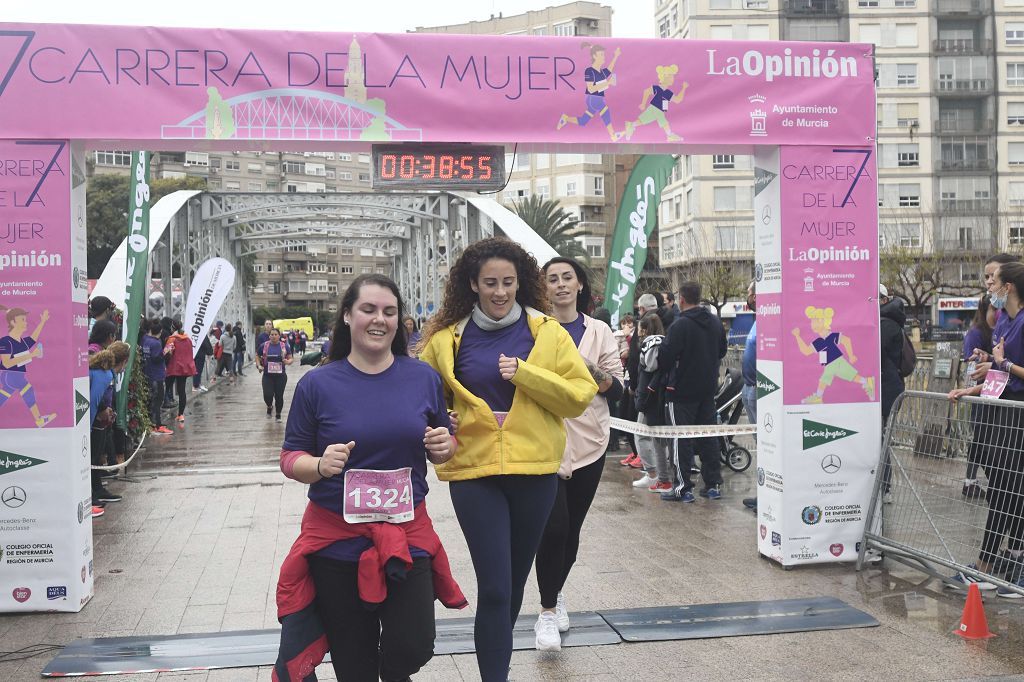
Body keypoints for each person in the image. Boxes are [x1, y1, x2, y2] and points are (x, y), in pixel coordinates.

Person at [418, 237, 597, 681]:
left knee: (513, 587)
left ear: (521, 284)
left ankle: (498, 660)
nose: (500, 292)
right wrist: (442, 422)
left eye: (508, 283)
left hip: (535, 473)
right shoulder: (445, 341)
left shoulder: (548, 333)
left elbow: (579, 396)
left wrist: (526, 373)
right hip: (475, 473)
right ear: (473, 286)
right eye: (490, 283)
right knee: (495, 587)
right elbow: (421, 400)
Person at [274, 274, 466, 681]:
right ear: (347, 316)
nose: (379, 319)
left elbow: (444, 441)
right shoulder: (317, 384)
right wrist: (320, 465)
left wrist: (444, 446)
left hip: (407, 535)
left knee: (414, 645)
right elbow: (290, 457)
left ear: (400, 321)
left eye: (389, 311)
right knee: (353, 662)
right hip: (337, 543)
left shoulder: (422, 378)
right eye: (368, 309)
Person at [533, 257, 623, 652]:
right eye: (552, 279)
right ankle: (547, 612)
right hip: (543, 440)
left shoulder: (600, 331)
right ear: (543, 288)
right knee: (552, 528)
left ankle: (557, 589)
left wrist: (572, 361)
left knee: (571, 531)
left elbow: (616, 388)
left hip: (590, 441)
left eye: (567, 277)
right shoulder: (532, 328)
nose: (560, 285)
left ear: (581, 285)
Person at [948, 261, 1024, 597]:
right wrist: (970, 388)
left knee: (1009, 491)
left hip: (1016, 417)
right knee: (1000, 490)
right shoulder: (1003, 322)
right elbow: (999, 374)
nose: (988, 287)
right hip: (1000, 412)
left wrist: (1002, 363)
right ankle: (994, 563)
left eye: (993, 281)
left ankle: (990, 564)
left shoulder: (1021, 321)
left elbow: (1009, 369)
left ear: (1008, 287)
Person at [659, 282, 727, 502]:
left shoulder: (679, 326)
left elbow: (665, 358)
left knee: (680, 439)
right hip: (708, 388)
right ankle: (713, 484)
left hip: (681, 392)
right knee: (708, 437)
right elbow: (722, 350)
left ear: (681, 299)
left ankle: (683, 487)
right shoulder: (715, 322)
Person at [631, 312, 674, 493]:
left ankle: (656, 475)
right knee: (661, 439)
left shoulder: (651, 344)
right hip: (659, 396)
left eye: (641, 328)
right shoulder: (665, 341)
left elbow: (650, 367)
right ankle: (661, 476)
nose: (639, 333)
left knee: (647, 436)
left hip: (650, 396)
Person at [961, 294, 996, 499]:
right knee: (981, 438)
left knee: (993, 440)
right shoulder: (976, 333)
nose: (998, 314)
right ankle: (970, 480)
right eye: (994, 310)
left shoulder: (1000, 330)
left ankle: (995, 482)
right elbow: (970, 368)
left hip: (998, 393)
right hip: (981, 393)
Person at [620, 294, 660, 469]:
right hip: (652, 386)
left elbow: (639, 359)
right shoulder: (669, 320)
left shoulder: (648, 327)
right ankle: (640, 456)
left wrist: (635, 385)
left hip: (646, 387)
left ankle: (649, 466)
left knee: (640, 427)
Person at [0, 304, 56, 428]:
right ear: (13, 322)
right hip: (10, 375)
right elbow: (7, 363)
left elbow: (33, 338)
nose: (26, 323)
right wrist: (31, 355)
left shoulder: (21, 341)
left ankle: (39, 420)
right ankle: (39, 420)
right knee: (27, 390)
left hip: (15, 376)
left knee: (5, 395)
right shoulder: (5, 341)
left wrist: (42, 322)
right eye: (23, 320)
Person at [556, 43, 624, 142]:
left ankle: (565, 118)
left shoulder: (601, 72)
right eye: (601, 55)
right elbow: (591, 88)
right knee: (605, 111)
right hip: (593, 98)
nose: (603, 57)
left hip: (596, 98)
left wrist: (616, 56)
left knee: (584, 121)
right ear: (594, 56)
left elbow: (609, 69)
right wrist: (607, 83)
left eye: (603, 54)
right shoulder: (589, 71)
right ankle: (612, 135)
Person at [89, 341, 129, 505]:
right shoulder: (103, 375)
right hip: (92, 425)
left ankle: (97, 490)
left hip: (98, 423)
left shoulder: (106, 373)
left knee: (96, 457)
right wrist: (99, 415)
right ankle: (93, 494)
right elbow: (91, 401)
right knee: (91, 458)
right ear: (124, 361)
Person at [878, 285, 907, 505]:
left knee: (881, 440)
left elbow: (872, 353)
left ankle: (885, 486)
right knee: (880, 439)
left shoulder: (885, 324)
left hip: (886, 391)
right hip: (888, 387)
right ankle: (882, 485)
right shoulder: (888, 321)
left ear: (884, 300)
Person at [740, 282, 759, 512]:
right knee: (760, 443)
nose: (748, 297)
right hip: (749, 385)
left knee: (766, 444)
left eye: (750, 293)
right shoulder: (757, 319)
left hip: (760, 387)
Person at [140, 319, 173, 435]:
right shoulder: (156, 343)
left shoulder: (145, 339)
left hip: (148, 373)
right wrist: (166, 351)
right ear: (160, 331)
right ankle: (157, 425)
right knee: (158, 401)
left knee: (152, 401)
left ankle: (153, 424)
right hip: (157, 375)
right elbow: (157, 358)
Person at [257, 328, 293, 421]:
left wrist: (287, 362)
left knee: (279, 396)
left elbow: (291, 358)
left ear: (279, 336)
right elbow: (257, 355)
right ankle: (269, 406)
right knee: (267, 395)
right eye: (272, 335)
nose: (273, 336)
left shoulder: (284, 346)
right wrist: (259, 365)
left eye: (275, 334)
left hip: (280, 376)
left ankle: (278, 414)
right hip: (267, 375)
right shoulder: (264, 345)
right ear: (269, 336)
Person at [164, 320, 196, 424]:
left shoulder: (171, 340)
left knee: (166, 388)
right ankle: (181, 415)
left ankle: (159, 409)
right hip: (185, 368)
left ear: (172, 328)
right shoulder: (188, 339)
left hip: (173, 367)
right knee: (182, 391)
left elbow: (166, 353)